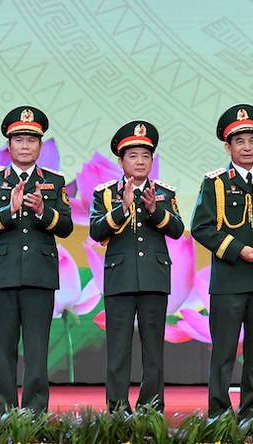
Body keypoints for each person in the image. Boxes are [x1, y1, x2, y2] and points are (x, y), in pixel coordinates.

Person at [0, 106, 73, 412]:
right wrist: (9, 211)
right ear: (8, 145)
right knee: (2, 351)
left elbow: (67, 227)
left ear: (41, 146)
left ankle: (34, 414)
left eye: (32, 140)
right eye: (19, 139)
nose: (25, 145)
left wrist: (43, 211)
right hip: (2, 275)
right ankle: (3, 413)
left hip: (40, 276)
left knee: (37, 350)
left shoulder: (54, 182)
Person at [190, 104, 253, 422]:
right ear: (228, 147)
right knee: (224, 352)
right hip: (230, 279)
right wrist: (238, 250)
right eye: (240, 141)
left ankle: (252, 411)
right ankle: (218, 412)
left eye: (252, 140)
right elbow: (201, 227)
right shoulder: (215, 182)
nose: (247, 147)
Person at [89, 120, 184, 413]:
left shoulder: (164, 193)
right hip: (120, 278)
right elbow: (96, 231)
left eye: (145, 156)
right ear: (121, 161)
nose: (140, 161)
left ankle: (150, 408)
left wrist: (156, 211)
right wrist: (122, 208)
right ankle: (118, 410)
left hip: (154, 279)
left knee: (153, 350)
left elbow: (178, 230)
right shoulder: (105, 193)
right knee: (118, 350)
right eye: (133, 156)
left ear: (152, 160)